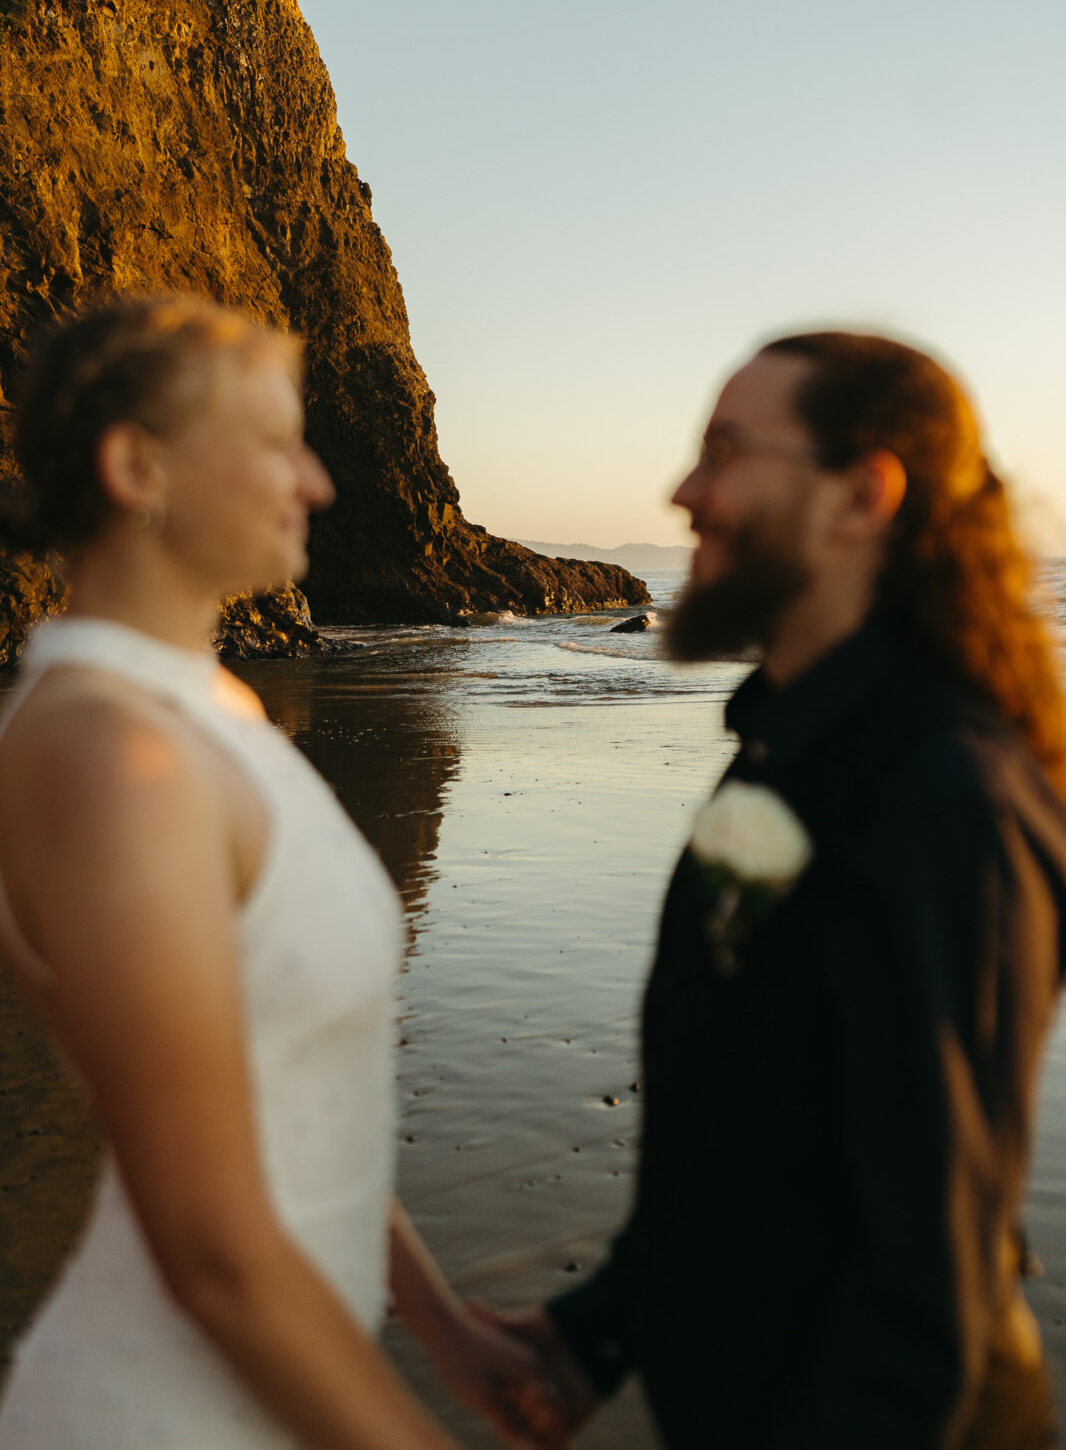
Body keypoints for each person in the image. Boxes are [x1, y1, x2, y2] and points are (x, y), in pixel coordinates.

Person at [490, 332, 1066, 1448]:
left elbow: (921, 1288)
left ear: (861, 494)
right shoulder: (788, 745)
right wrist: (593, 1337)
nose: (682, 492)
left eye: (722, 452)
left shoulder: (945, 795)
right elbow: (744, 1105)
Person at [0, 296, 546, 1449]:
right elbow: (210, 1252)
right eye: (271, 444)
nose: (316, 482)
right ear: (135, 466)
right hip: (168, 1409)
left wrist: (440, 1324)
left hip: (286, 1373)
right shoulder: (107, 755)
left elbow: (284, 1080)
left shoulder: (212, 711)